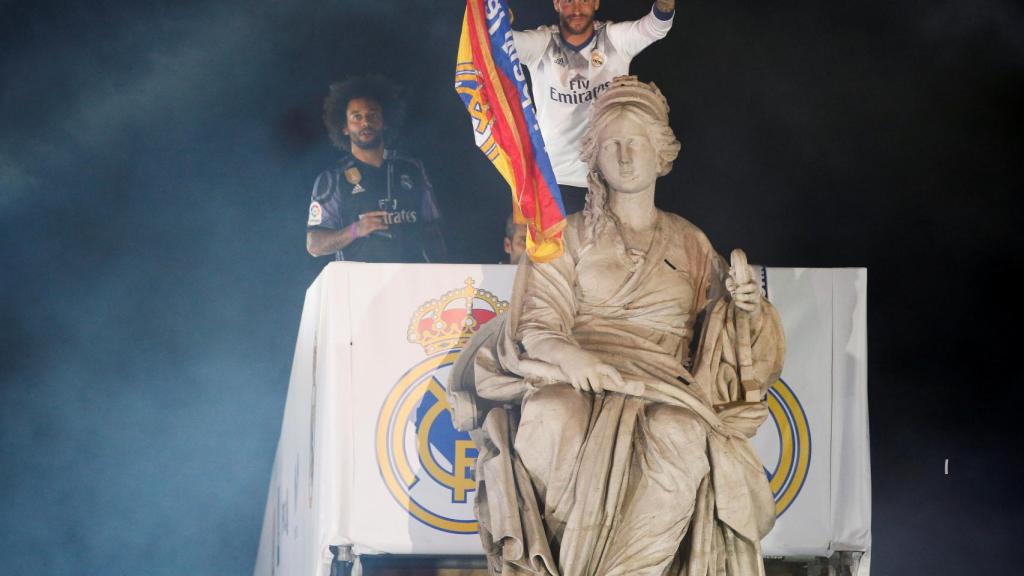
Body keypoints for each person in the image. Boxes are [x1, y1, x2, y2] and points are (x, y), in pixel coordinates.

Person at [448, 77, 786, 575]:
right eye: (612, 145)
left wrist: (748, 309)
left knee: (680, 431)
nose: (625, 157)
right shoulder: (566, 236)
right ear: (595, 157)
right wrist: (574, 359)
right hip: (576, 375)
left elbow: (730, 339)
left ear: (660, 152)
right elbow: (538, 324)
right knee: (552, 415)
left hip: (663, 383)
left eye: (636, 143)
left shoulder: (690, 242)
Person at [513, 0, 676, 213]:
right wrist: (495, 21)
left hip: (609, 178)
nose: (577, 9)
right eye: (568, 1)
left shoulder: (613, 39)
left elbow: (655, 27)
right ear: (556, 4)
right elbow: (501, 43)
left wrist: (665, 5)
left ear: (596, 3)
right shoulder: (542, 44)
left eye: (584, 0)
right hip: (554, 181)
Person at [306, 76, 446, 263]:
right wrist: (356, 229)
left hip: (413, 276)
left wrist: (443, 271)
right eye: (356, 117)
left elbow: (431, 230)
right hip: (360, 280)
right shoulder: (333, 178)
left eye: (372, 115)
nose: (365, 122)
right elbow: (314, 245)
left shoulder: (412, 168)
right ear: (345, 127)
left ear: (385, 122)